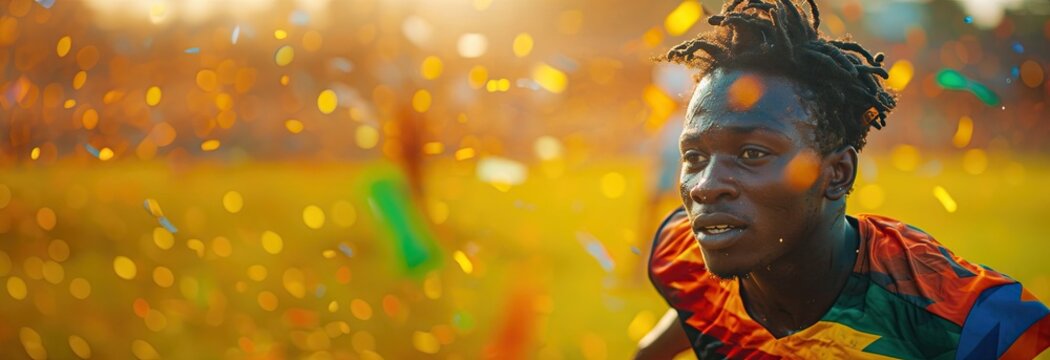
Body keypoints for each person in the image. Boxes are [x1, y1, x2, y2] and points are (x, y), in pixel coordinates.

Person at [636, 0, 1050, 358]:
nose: (705, 185)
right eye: (694, 156)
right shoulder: (686, 259)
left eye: (751, 154)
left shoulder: (942, 307)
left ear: (837, 173)